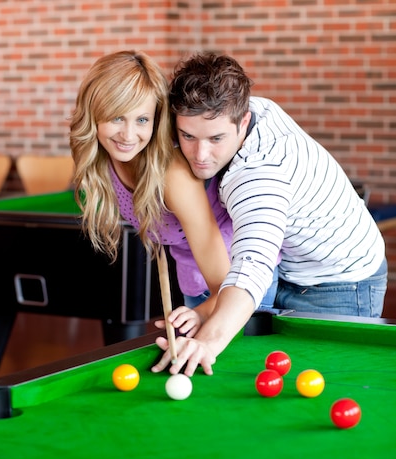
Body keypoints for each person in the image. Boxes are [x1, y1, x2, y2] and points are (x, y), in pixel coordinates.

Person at [152, 52, 387, 377]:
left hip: (341, 279)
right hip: (292, 264)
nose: (200, 155)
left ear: (243, 122)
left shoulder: (257, 175)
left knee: (330, 381)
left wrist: (207, 340)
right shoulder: (245, 106)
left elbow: (252, 265)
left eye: (216, 139)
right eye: (188, 136)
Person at [69, 50, 233, 333]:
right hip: (194, 280)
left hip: (238, 284)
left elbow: (226, 284)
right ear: (94, 113)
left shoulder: (173, 173)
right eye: (117, 118)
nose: (128, 135)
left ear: (156, 120)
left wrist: (199, 316)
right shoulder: (104, 160)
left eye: (142, 120)